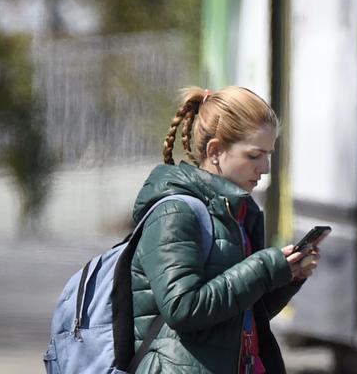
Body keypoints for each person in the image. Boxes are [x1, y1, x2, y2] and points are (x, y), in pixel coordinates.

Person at [130, 86, 318, 373]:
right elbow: (183, 307)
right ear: (215, 151)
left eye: (268, 154)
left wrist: (287, 276)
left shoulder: (238, 213)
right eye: (255, 155)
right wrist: (264, 268)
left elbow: (240, 313)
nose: (265, 167)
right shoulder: (175, 212)